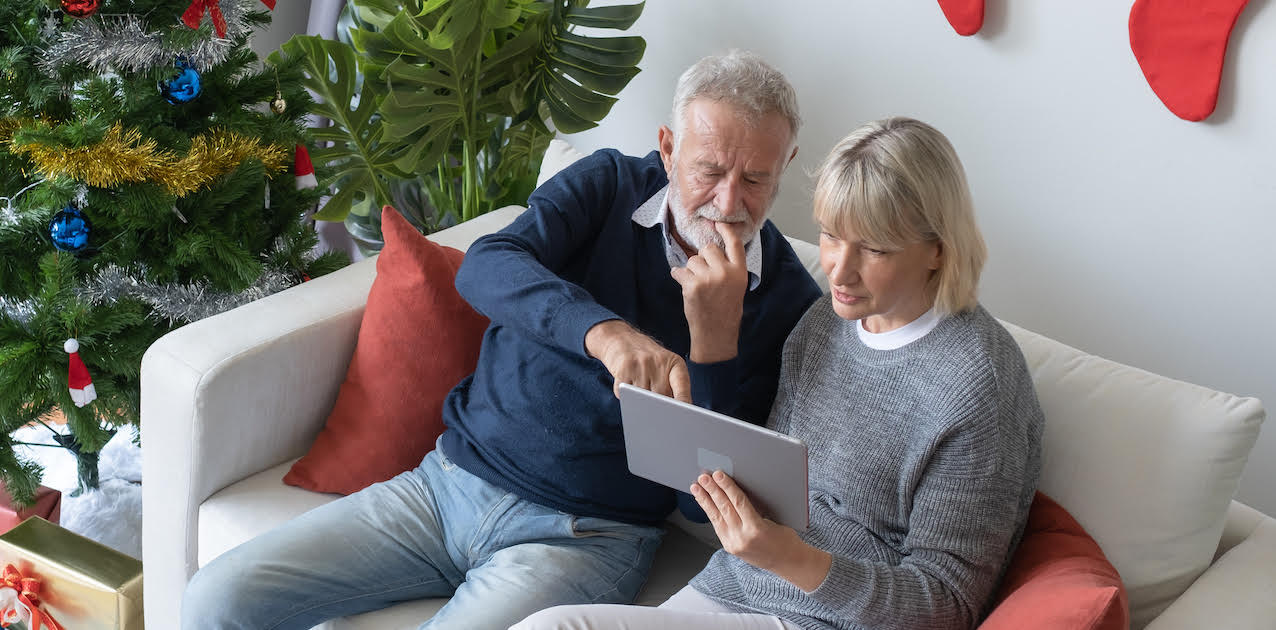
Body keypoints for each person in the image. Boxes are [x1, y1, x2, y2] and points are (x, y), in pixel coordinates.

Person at [180, 50, 822, 629]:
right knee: (216, 597)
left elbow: (697, 501)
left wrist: (713, 343)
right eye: (709, 170)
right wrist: (602, 332)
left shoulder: (791, 304)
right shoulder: (607, 185)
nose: (729, 203)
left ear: (785, 165)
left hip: (588, 537)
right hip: (443, 487)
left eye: (757, 179)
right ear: (668, 147)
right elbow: (490, 265)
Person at [513, 117, 1046, 630]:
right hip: (734, 587)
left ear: (937, 249)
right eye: (832, 236)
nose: (838, 269)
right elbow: (774, 482)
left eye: (874, 248)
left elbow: (947, 606)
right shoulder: (823, 325)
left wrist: (792, 559)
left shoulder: (979, 386)